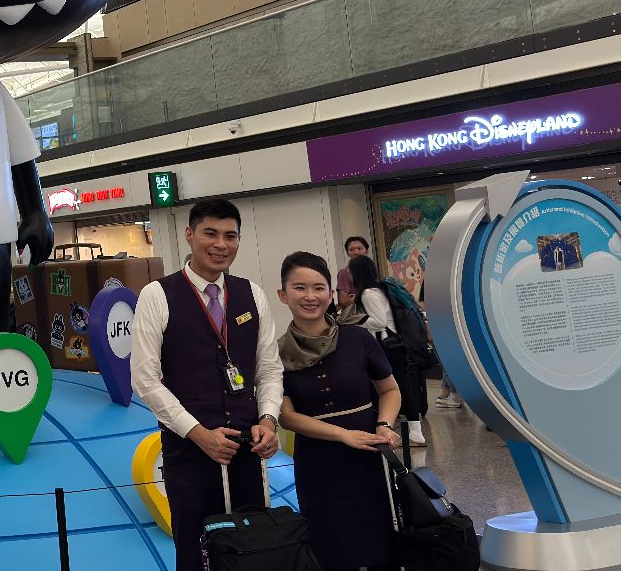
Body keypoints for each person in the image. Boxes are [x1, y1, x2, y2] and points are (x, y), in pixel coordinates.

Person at [131, 199, 282, 571]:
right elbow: (145, 380)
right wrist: (197, 433)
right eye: (210, 234)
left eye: (230, 236)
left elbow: (269, 369)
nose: (220, 244)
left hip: (249, 449)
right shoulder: (158, 295)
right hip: (189, 453)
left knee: (252, 546)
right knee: (197, 549)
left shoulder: (252, 294)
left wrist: (269, 420)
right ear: (189, 235)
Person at [275, 251, 402, 571]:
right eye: (299, 288)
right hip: (317, 463)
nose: (310, 296)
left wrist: (385, 425)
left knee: (379, 542)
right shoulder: (275, 353)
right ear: (283, 294)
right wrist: (343, 435)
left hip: (368, 458)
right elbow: (287, 416)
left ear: (331, 294)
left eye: (319, 288)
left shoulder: (357, 337)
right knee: (329, 545)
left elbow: (389, 389)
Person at [348, 254, 426, 447]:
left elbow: (380, 321)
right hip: (397, 345)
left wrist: (357, 321)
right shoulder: (379, 289)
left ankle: (413, 433)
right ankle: (413, 432)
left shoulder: (368, 293)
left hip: (388, 347)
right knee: (402, 387)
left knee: (395, 388)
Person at [336, 236, 369, 309]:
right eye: (351, 250)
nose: (356, 252)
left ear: (367, 251)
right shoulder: (345, 273)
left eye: (359, 248)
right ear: (348, 253)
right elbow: (343, 300)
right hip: (357, 317)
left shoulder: (371, 271)